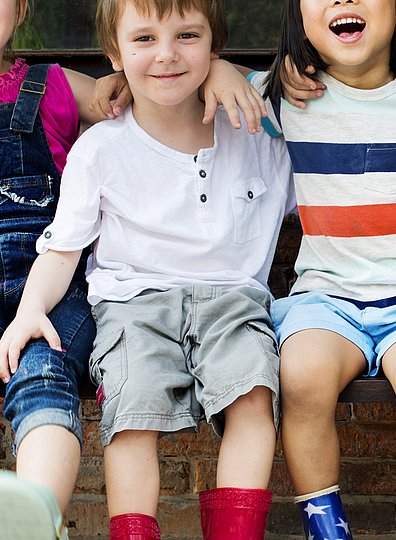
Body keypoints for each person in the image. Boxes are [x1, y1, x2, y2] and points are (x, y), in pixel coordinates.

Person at [0, 0, 294, 538]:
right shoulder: (101, 149)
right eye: (143, 41)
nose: (165, 55)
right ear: (114, 54)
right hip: (132, 305)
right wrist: (30, 311)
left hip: (234, 300)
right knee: (132, 414)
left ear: (213, 44)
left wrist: (233, 72)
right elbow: (63, 250)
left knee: (254, 397)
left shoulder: (257, 130)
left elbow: (313, 74)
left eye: (187, 36)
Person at [252, 0, 396, 538]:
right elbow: (205, 76)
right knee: (301, 378)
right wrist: (220, 67)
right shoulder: (283, 98)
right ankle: (325, 528)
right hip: (328, 296)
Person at [0, 0, 132, 536]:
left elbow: (154, 92)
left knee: (44, 372)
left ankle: (34, 518)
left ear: (23, 7)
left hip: (50, 292)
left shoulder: (53, 86)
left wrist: (213, 67)